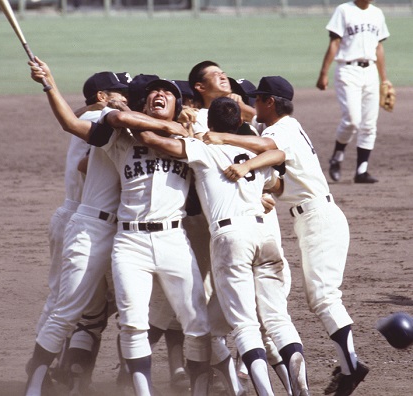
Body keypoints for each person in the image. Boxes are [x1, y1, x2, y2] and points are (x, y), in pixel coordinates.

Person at [29, 58, 212, 396]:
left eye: (168, 93)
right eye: (152, 92)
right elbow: (83, 126)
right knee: (96, 314)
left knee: (194, 320)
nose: (159, 94)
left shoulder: (190, 142)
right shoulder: (116, 132)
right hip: (115, 233)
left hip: (167, 236)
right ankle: (46, 382)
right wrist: (50, 82)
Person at [204, 76, 370, 396]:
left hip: (318, 218)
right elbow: (277, 178)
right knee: (318, 298)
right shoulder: (288, 127)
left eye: (257, 99)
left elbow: (268, 147)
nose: (252, 104)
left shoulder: (277, 131)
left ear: (270, 102)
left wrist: (220, 137)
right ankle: (347, 365)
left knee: (323, 297)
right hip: (314, 216)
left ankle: (350, 367)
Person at [135, 96, 311, 396]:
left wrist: (140, 119)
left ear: (212, 124)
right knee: (278, 321)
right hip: (265, 238)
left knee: (245, 327)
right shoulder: (249, 149)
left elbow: (154, 141)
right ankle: (300, 382)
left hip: (232, 239)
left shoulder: (204, 151)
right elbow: (277, 160)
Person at [316, 0, 391, 184]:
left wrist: (385, 79)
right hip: (348, 70)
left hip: (371, 70)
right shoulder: (344, 10)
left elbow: (379, 48)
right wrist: (323, 73)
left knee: (369, 124)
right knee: (352, 120)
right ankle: (337, 156)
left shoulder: (377, 13)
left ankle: (362, 170)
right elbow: (334, 42)